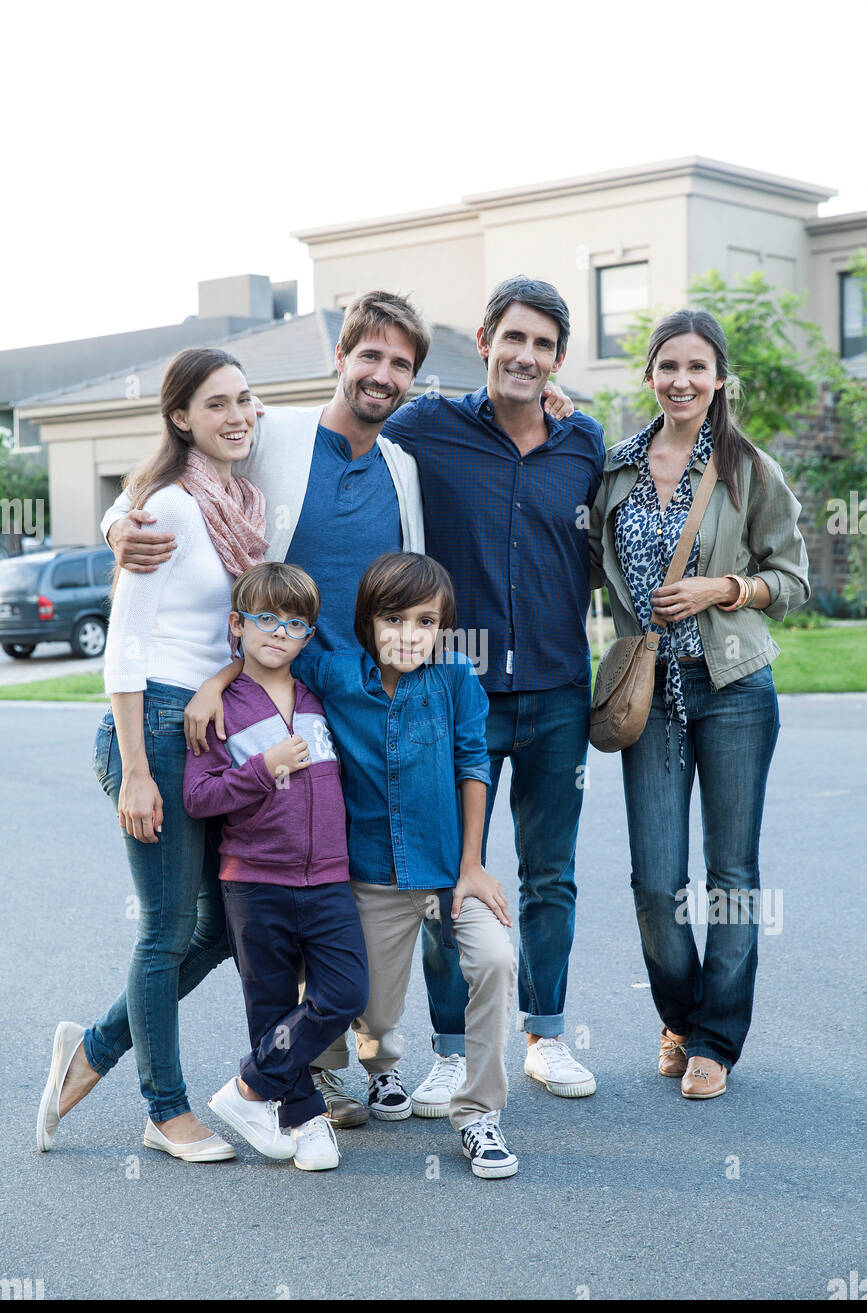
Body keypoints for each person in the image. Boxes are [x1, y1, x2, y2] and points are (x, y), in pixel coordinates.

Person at [101, 289, 575, 1125]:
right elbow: (176, 472)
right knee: (274, 889)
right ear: (340, 357)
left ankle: (368, 1051)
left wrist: (547, 395)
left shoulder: (403, 458)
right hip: (272, 707)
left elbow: (490, 419)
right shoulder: (273, 433)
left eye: (399, 363)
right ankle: (293, 1072)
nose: (382, 374)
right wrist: (116, 521)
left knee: (357, 877)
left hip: (363, 707)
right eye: (370, 356)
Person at [37, 347, 268, 1160]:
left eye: (244, 399)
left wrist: (228, 675)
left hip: (207, 724)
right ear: (180, 418)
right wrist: (136, 769)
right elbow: (124, 648)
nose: (237, 415)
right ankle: (164, 1108)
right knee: (168, 929)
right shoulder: (165, 509)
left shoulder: (239, 502)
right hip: (153, 729)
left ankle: (95, 1050)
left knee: (224, 928)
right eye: (216, 405)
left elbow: (236, 628)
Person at [380, 276, 606, 1101]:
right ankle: (448, 1050)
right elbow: (342, 434)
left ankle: (545, 1036)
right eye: (513, 338)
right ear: (482, 342)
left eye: (542, 345)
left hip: (555, 691)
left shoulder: (584, 442)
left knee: (550, 873)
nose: (525, 355)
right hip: (452, 690)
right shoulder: (425, 425)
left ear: (557, 360)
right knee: (446, 872)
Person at [588, 309, 810, 1098]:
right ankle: (679, 1016)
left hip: (733, 689)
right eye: (666, 366)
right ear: (648, 375)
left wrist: (726, 587)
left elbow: (792, 580)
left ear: (718, 379)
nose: (680, 380)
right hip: (647, 697)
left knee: (731, 874)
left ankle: (714, 1040)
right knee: (655, 881)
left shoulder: (749, 469)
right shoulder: (613, 468)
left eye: (696, 367)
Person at [291, 551, 519, 1178]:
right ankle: (378, 1067)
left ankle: (478, 1116)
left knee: (497, 960)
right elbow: (268, 657)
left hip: (449, 874)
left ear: (442, 627)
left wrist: (472, 865)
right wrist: (213, 685)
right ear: (367, 621)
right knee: (372, 1007)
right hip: (372, 877)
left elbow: (474, 766)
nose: (408, 637)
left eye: (425, 622)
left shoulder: (454, 681)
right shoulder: (335, 675)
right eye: (392, 620)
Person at [183, 562, 369, 1171]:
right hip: (254, 881)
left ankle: (247, 1090)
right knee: (269, 1010)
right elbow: (199, 796)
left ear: (309, 636)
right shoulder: (220, 707)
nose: (279, 633)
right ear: (237, 625)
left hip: (328, 879)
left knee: (343, 993)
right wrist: (263, 767)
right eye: (265, 619)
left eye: (294, 624)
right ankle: (306, 1122)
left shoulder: (318, 695)